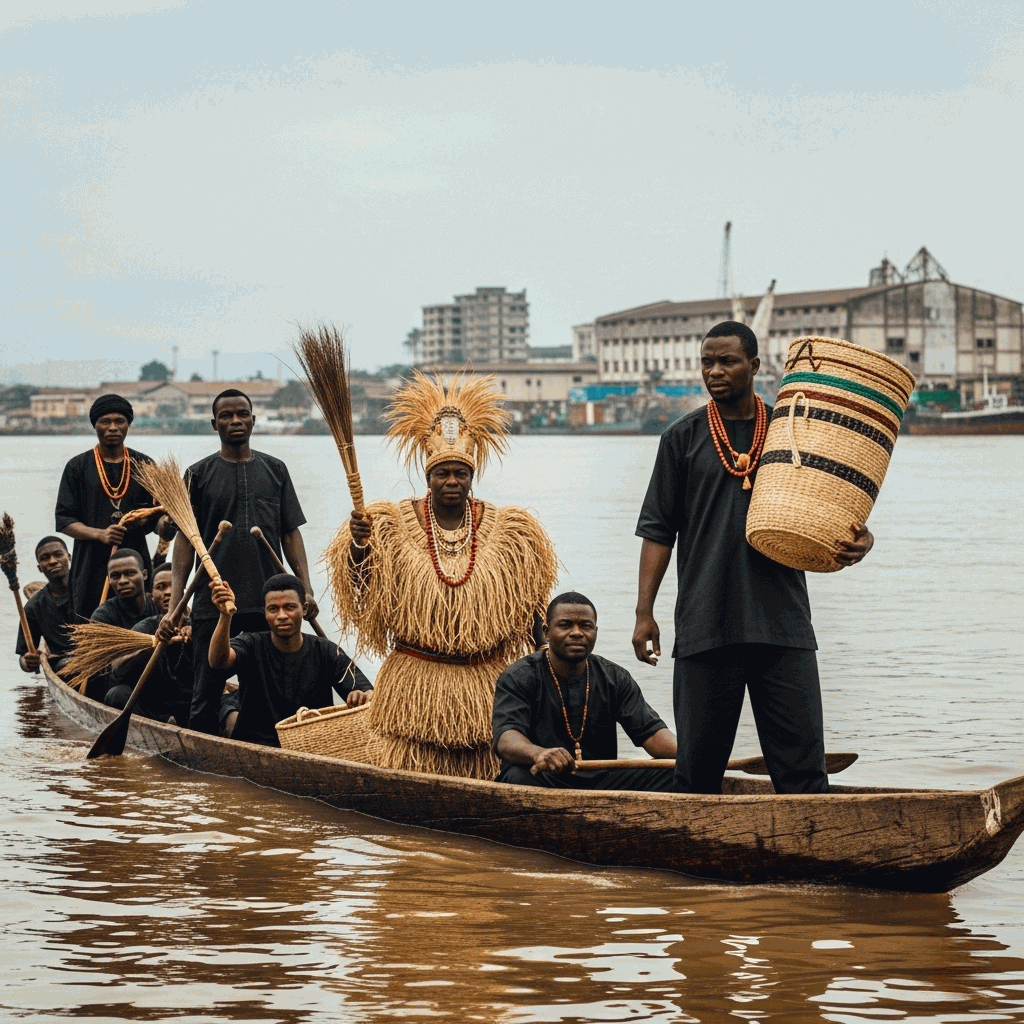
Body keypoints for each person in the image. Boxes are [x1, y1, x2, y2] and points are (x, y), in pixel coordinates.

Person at [632, 321, 874, 796]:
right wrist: (644, 613)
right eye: (707, 362)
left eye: (727, 361)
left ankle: (812, 862)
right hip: (706, 624)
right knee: (697, 774)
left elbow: (837, 503)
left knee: (804, 773)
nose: (714, 371)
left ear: (756, 366)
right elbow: (658, 531)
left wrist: (862, 540)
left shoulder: (792, 432)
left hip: (782, 625)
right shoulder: (681, 439)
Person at [333, 372, 558, 779]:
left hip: (486, 682)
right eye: (443, 473)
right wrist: (359, 547)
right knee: (408, 775)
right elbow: (363, 592)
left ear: (472, 477)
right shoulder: (388, 524)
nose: (452, 481)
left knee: (491, 767)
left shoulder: (512, 531)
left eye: (460, 473)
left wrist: (548, 669)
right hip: (414, 683)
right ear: (427, 476)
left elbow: (533, 612)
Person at [158, 389, 317, 735]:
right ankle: (202, 759)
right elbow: (185, 541)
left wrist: (305, 589)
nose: (235, 421)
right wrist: (175, 604)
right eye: (226, 416)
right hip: (213, 602)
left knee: (271, 691)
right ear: (214, 423)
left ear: (253, 420)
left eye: (242, 414)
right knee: (205, 692)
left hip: (269, 604)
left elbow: (291, 533)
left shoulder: (276, 470)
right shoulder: (197, 474)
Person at [494, 592, 677, 791]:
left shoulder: (614, 677)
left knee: (678, 774)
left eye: (586, 626)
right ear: (546, 632)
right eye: (565, 625)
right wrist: (539, 754)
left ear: (595, 631)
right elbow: (507, 738)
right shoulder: (519, 676)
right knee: (515, 777)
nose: (577, 633)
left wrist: (694, 755)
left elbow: (651, 734)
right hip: (546, 779)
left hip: (602, 780)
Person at [208, 573, 372, 747]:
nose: (282, 615)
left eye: (290, 607)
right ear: (264, 612)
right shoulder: (251, 644)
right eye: (273, 609)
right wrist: (225, 617)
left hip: (312, 746)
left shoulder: (327, 650)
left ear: (305, 609)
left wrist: (360, 696)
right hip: (257, 746)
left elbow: (371, 695)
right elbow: (218, 662)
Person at [55, 394, 156, 619]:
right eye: (105, 422)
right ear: (95, 425)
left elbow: (159, 523)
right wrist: (100, 534)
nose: (112, 428)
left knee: (142, 626)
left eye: (119, 421)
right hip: (90, 568)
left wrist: (155, 520)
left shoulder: (145, 466)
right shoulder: (77, 467)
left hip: (135, 566)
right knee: (89, 625)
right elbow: (64, 520)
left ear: (128, 424)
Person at [104, 566, 193, 725]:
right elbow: (117, 670)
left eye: (175, 586)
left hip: (191, 706)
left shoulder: (199, 626)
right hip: (154, 709)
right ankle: (165, 722)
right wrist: (156, 644)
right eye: (161, 587)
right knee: (116, 694)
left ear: (186, 592)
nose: (168, 592)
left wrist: (195, 638)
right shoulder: (144, 627)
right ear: (152, 597)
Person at [15, 536, 75, 675]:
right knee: (65, 666)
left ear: (69, 557)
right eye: (45, 558)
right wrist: (28, 662)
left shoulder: (89, 589)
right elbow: (24, 657)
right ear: (39, 568)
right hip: (65, 666)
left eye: (58, 555)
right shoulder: (33, 607)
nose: (53, 561)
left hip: (98, 657)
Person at [91, 548, 159, 629]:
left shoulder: (158, 607)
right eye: (115, 576)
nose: (122, 581)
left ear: (144, 575)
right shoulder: (102, 617)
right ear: (109, 580)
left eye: (130, 573)